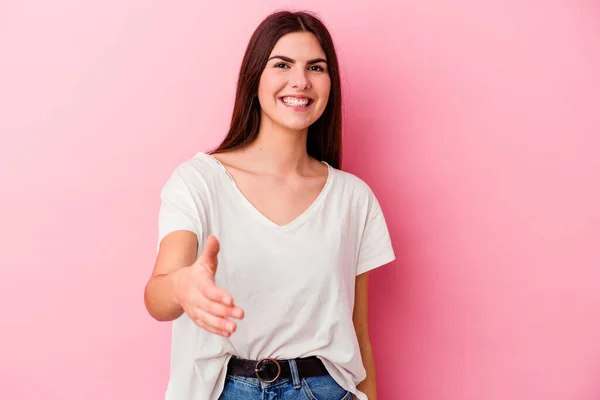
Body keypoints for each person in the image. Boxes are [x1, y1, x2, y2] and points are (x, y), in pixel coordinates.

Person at [143, 9, 395, 400]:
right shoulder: (199, 181)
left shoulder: (353, 198)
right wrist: (181, 286)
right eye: (282, 64)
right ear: (254, 78)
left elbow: (359, 335)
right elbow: (157, 297)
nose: (301, 81)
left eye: (316, 67)